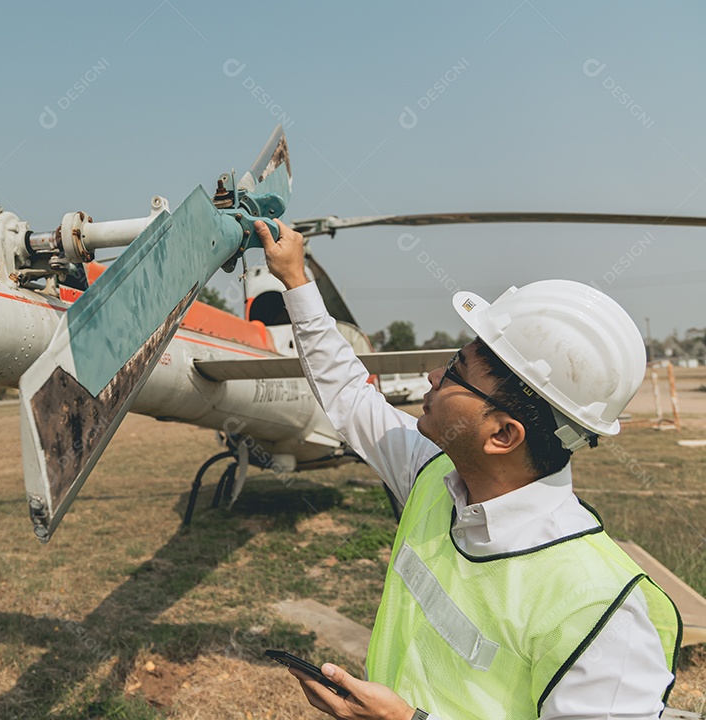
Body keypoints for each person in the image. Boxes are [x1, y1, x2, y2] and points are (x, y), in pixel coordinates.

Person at [254, 220, 681, 720]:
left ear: (503, 434)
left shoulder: (598, 608)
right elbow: (349, 396)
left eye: (455, 372)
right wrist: (297, 282)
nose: (433, 376)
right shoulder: (435, 475)